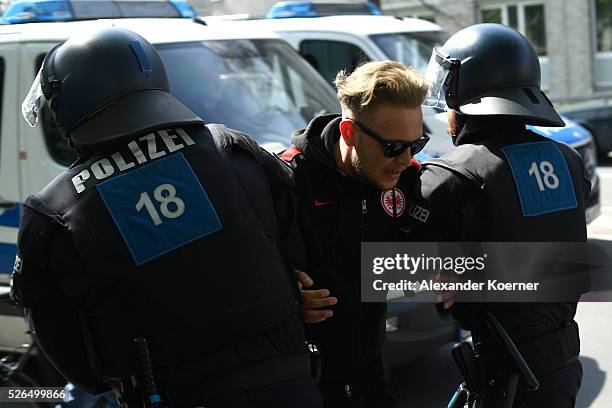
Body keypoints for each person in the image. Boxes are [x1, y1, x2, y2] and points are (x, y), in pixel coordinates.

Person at [11, 27, 322, 408]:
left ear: (68, 102)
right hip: (290, 385)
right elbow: (296, 248)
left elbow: (64, 346)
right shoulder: (230, 147)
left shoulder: (55, 210)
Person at [408, 23, 587, 407]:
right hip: (563, 363)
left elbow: (388, 256)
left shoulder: (453, 174)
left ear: (467, 98)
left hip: (507, 372)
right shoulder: (568, 162)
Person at [281, 60, 430, 407]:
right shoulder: (289, 181)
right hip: (307, 384)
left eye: (417, 144)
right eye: (394, 147)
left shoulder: (407, 176)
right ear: (350, 133)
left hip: (373, 373)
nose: (406, 159)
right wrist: (289, 297)